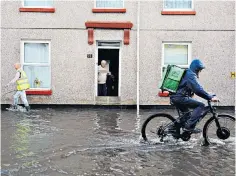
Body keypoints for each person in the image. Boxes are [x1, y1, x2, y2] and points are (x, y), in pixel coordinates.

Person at [170, 59, 219, 133]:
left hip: (177, 97)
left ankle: (175, 131)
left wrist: (209, 94)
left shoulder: (188, 73)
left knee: (187, 116)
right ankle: (188, 127)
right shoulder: (190, 75)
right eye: (199, 70)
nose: (199, 71)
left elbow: (197, 88)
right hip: (180, 98)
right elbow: (197, 90)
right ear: (196, 69)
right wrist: (210, 97)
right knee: (200, 105)